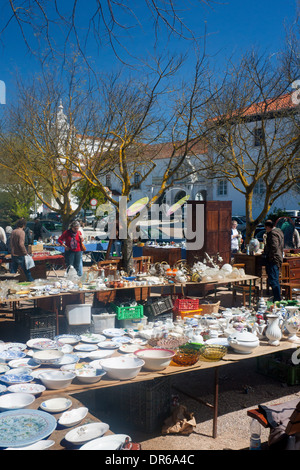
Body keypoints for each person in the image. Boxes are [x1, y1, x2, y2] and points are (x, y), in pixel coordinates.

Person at [263, 219, 284, 302]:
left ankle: (277, 299)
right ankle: (277, 297)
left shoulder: (272, 234)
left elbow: (274, 247)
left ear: (268, 227)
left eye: (265, 228)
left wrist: (269, 256)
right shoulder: (279, 232)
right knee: (274, 279)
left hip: (274, 259)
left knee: (273, 280)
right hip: (278, 257)